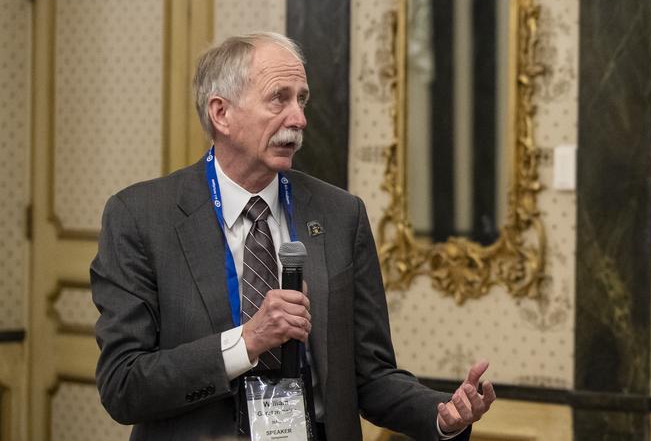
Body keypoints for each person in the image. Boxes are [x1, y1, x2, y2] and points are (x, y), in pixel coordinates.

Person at [91, 32, 495, 440]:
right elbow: (123, 385)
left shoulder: (340, 215)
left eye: (302, 100)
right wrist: (247, 342)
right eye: (278, 99)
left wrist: (440, 415)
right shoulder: (141, 218)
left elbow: (371, 374)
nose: (299, 119)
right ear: (221, 113)